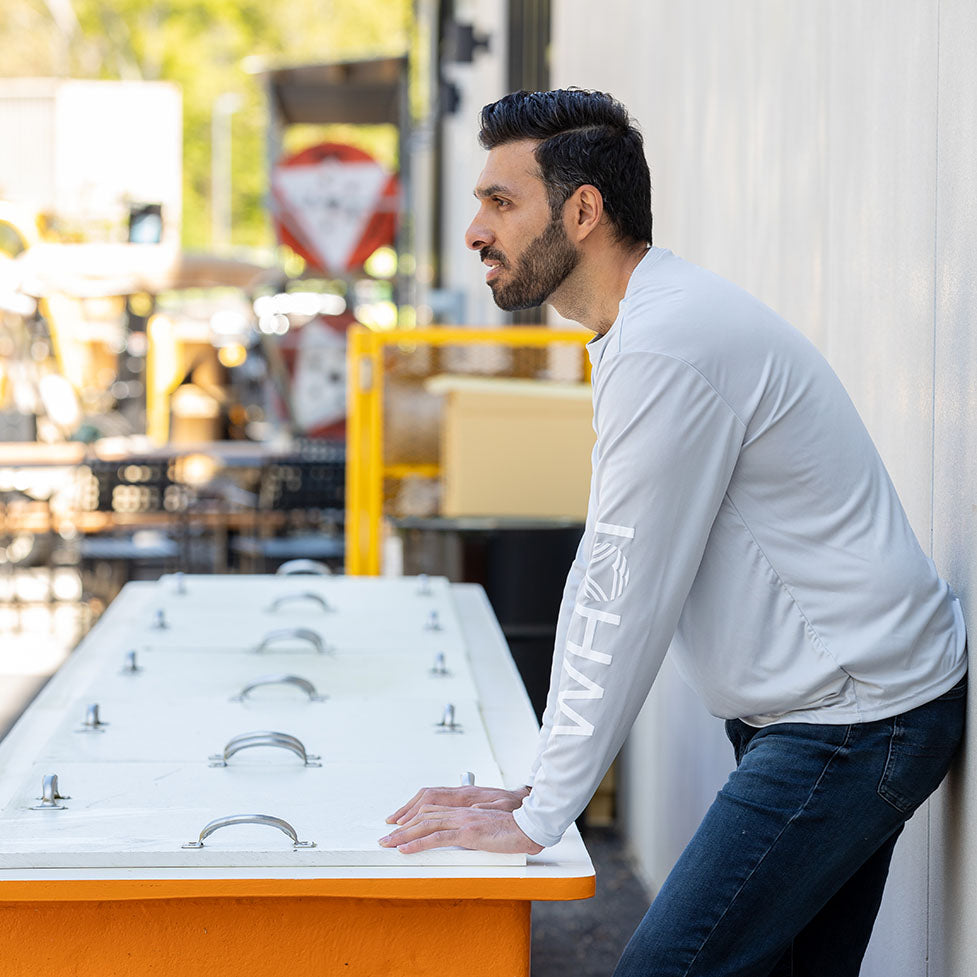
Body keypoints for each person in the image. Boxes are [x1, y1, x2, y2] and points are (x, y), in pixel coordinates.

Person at [378, 89, 968, 976]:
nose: (475, 231)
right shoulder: (645, 327)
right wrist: (542, 785)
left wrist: (541, 811)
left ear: (582, 211)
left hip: (852, 716)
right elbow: (608, 571)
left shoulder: (666, 342)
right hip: (834, 707)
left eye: (500, 201)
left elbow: (622, 591)